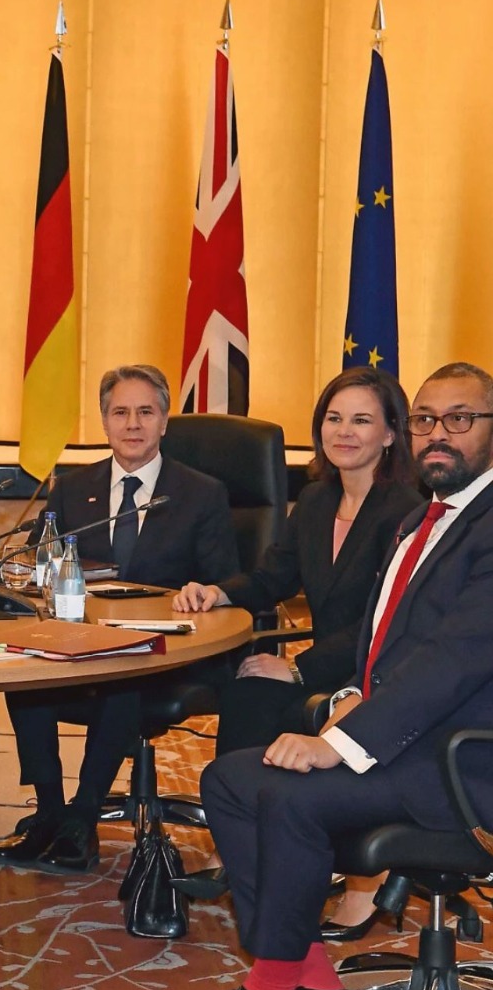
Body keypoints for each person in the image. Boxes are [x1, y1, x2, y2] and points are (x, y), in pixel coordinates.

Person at [161, 362, 493, 990]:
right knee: (231, 779)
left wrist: (340, 741)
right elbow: (387, 641)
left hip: (461, 761)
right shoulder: (424, 518)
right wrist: (349, 701)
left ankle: (269, 987)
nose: (438, 434)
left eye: (459, 419)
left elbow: (453, 659)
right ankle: (318, 988)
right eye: (427, 419)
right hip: (406, 738)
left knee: (288, 797)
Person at [172, 367, 420, 931]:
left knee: (290, 697)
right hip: (328, 667)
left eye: (362, 420)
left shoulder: (405, 510)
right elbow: (273, 577)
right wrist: (217, 592)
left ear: (390, 433)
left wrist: (300, 668)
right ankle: (239, 843)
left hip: (380, 674)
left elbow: (381, 622)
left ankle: (364, 882)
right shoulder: (315, 498)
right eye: (334, 418)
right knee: (247, 690)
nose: (344, 431)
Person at [0, 364, 239, 875]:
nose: (133, 424)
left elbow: (225, 580)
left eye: (145, 412)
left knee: (124, 675)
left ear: (164, 421)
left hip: (167, 656)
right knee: (25, 671)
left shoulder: (201, 492)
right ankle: (49, 812)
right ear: (104, 422)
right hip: (81, 642)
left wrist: (203, 593)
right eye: (120, 412)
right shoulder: (72, 489)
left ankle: (83, 817)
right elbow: (38, 567)